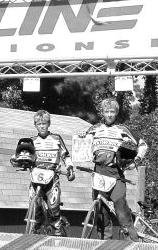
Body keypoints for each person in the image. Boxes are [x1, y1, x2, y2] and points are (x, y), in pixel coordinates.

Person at [79, 98, 148, 241]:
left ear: (116, 113)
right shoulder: (94, 128)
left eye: (112, 112)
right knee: (101, 215)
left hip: (115, 173)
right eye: (106, 112)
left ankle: (133, 246)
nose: (109, 114)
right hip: (98, 172)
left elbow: (143, 145)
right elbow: (83, 143)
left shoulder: (122, 129)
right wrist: (81, 135)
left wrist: (137, 160)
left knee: (122, 214)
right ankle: (105, 248)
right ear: (102, 113)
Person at [11, 110, 75, 236]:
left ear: (49, 124)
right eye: (39, 124)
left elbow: (66, 156)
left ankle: (58, 235)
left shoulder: (56, 138)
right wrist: (14, 160)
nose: (42, 126)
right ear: (35, 125)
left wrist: (70, 168)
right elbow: (18, 155)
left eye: (44, 123)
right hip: (36, 178)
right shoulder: (31, 141)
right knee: (35, 210)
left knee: (53, 209)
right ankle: (34, 233)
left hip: (52, 178)